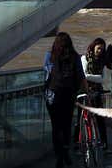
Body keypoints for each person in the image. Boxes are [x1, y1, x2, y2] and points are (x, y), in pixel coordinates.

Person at [44, 32, 86, 168]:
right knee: (66, 125)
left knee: (56, 127)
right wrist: (85, 90)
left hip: (53, 95)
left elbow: (47, 73)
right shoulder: (75, 57)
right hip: (69, 95)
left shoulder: (50, 56)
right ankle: (66, 151)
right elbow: (80, 76)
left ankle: (59, 155)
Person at [81, 38, 109, 149]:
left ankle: (104, 143)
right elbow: (84, 75)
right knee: (81, 117)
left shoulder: (102, 61)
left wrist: (92, 77)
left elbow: (103, 79)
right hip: (85, 91)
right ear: (93, 47)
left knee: (100, 118)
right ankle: (77, 143)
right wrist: (97, 78)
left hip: (97, 91)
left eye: (102, 49)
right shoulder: (84, 58)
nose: (100, 51)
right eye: (98, 49)